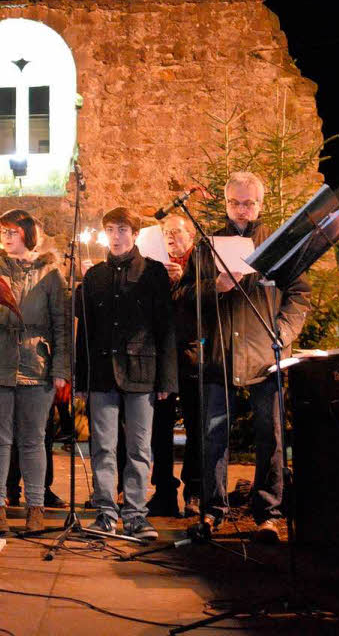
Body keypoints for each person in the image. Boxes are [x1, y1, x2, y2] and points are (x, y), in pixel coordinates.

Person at [192, 172, 310, 542]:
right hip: (221, 355)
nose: (242, 211)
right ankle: (213, 510)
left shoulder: (280, 244)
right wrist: (214, 286)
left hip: (265, 356)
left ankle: (268, 514)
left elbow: (300, 294)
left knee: (271, 436)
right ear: (226, 204)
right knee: (214, 437)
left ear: (260, 205)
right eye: (235, 203)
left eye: (249, 203)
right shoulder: (207, 245)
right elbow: (185, 297)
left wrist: (284, 334)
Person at [0, 209, 69, 534]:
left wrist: (62, 368)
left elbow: (62, 324)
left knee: (34, 441)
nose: (5, 238)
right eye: (1, 232)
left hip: (36, 365)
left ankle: (35, 508)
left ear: (27, 234)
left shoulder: (50, 273)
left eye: (11, 232)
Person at [77, 206, 177, 541]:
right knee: (103, 447)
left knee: (138, 448)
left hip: (142, 371)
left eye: (122, 230)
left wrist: (167, 379)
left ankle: (135, 514)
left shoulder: (153, 273)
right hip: (103, 373)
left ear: (134, 234)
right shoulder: (94, 277)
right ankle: (106, 512)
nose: (116, 237)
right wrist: (81, 379)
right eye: (110, 230)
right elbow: (85, 333)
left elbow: (165, 328)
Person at [153, 213, 202, 518]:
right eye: (166, 233)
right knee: (160, 428)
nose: (171, 238)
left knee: (197, 426)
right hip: (162, 357)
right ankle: (163, 491)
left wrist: (180, 281)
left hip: (194, 354)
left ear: (191, 237)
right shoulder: (155, 266)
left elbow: (207, 299)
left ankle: (194, 492)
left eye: (177, 232)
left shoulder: (200, 264)